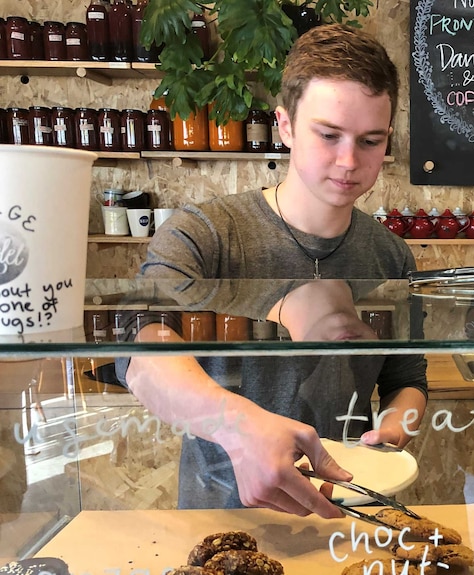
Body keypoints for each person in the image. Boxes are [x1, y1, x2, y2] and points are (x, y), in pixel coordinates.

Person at [119, 24, 427, 517]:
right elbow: (137, 347)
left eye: (370, 141)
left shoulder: (390, 256)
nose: (349, 161)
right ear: (284, 126)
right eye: (328, 135)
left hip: (347, 506)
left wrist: (393, 430)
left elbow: (406, 377)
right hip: (221, 514)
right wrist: (238, 427)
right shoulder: (206, 233)